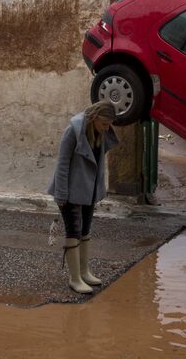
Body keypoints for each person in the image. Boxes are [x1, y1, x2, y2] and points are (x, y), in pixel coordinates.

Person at [48, 100, 119, 293]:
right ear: (95, 118)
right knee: (74, 231)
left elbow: (97, 165)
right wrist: (61, 194)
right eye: (104, 124)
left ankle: (85, 272)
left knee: (85, 230)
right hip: (70, 191)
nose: (106, 128)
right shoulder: (73, 131)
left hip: (89, 190)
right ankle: (74, 278)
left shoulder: (99, 133)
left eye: (108, 125)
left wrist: (99, 190)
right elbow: (62, 163)